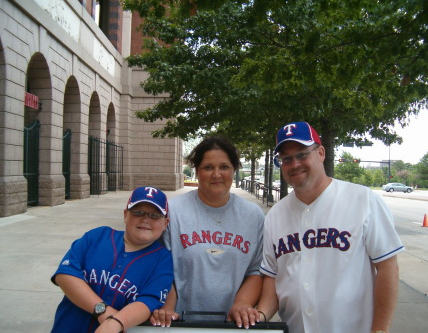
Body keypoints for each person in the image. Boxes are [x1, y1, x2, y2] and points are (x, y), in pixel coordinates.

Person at [254, 122, 404, 333]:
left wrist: (380, 329)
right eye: (286, 159)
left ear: (321, 152)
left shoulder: (363, 200)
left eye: (302, 154)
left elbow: (388, 267)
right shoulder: (275, 215)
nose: (294, 164)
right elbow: (272, 276)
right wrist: (261, 315)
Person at [151, 136, 265, 329]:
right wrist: (168, 308)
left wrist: (242, 304)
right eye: (208, 167)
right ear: (197, 171)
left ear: (234, 170)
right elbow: (160, 266)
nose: (216, 174)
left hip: (233, 324)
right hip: (181, 323)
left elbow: (256, 270)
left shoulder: (253, 216)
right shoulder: (173, 211)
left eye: (224, 167)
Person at [50, 186, 173, 333]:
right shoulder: (97, 237)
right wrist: (103, 311)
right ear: (126, 215)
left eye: (154, 215)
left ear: (165, 223)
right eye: (138, 212)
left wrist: (116, 323)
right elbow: (65, 275)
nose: (145, 219)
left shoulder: (163, 259)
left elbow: (149, 301)